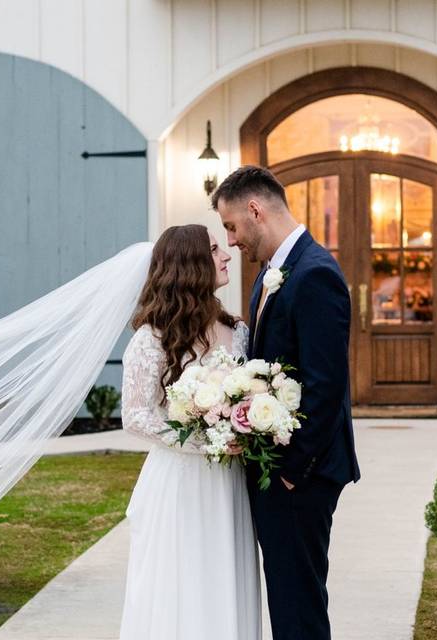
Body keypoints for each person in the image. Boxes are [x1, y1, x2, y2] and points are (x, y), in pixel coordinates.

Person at [213, 166, 361, 640]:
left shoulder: (315, 274)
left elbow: (326, 385)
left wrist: (292, 470)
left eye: (231, 226)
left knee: (298, 604)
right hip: (279, 465)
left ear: (255, 210)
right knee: (287, 595)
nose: (232, 241)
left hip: (303, 473)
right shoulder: (272, 273)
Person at [118, 224, 261, 640]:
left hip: (229, 483)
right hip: (180, 482)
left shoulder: (238, 333)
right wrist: (207, 441)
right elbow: (137, 415)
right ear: (190, 264)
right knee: (180, 583)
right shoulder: (152, 338)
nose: (227, 255)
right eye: (215, 250)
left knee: (225, 575)